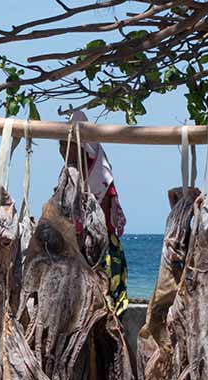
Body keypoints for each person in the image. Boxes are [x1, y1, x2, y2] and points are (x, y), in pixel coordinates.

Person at [60, 110, 130, 316]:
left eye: (67, 144)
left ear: (82, 146)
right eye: (60, 145)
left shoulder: (96, 175)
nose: (63, 150)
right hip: (77, 253)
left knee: (104, 312)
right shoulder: (70, 176)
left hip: (100, 253)